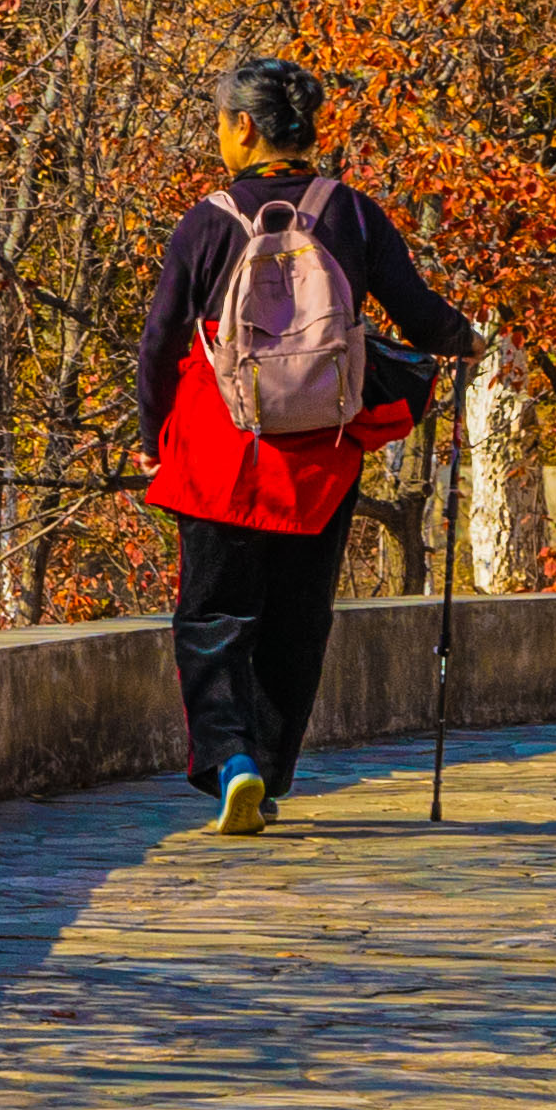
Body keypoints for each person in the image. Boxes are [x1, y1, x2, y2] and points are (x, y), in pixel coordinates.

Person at [131, 57, 480, 839]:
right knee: (297, 621)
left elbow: (158, 341)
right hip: (320, 459)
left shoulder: (210, 219)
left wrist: (153, 432)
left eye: (221, 122)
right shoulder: (350, 215)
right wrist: (467, 340)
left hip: (220, 455)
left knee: (214, 616)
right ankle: (273, 770)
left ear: (244, 127)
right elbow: (422, 319)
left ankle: (232, 763)